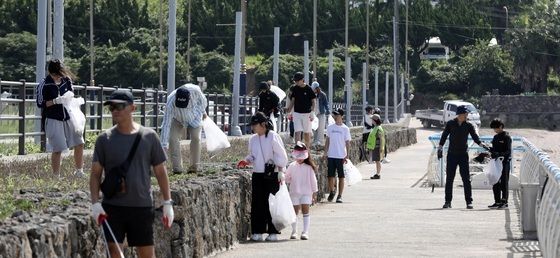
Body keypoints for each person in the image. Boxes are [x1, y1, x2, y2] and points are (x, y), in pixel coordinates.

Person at [89, 90, 173, 258]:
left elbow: (160, 171)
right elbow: (95, 174)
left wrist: (167, 203)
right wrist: (95, 203)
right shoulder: (104, 140)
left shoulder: (149, 137)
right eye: (112, 107)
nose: (115, 111)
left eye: (120, 106)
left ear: (133, 108)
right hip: (113, 207)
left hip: (141, 206)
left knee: (147, 254)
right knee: (114, 252)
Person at [237, 112, 288, 242]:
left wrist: (281, 170)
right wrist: (246, 160)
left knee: (272, 204)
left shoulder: (273, 136)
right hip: (258, 173)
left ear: (263, 124)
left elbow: (281, 156)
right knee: (257, 203)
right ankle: (257, 231)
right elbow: (253, 155)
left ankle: (273, 231)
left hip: (272, 173)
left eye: (255, 125)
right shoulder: (253, 139)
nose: (253, 128)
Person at [36, 59, 85, 177]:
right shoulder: (44, 84)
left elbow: (71, 93)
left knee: (79, 142)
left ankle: (79, 171)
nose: (57, 76)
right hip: (53, 117)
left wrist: (69, 97)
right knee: (57, 148)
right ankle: (56, 175)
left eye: (59, 73)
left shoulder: (66, 80)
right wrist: (55, 101)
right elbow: (40, 103)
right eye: (55, 74)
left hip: (68, 115)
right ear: (50, 72)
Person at [438, 105, 487, 209]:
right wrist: (440, 147)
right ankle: (448, 201)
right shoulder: (450, 124)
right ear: (460, 114)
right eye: (465, 113)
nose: (467, 115)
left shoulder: (469, 125)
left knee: (466, 179)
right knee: (450, 179)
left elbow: (475, 137)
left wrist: (482, 145)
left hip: (463, 155)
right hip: (452, 155)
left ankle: (469, 202)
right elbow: (444, 135)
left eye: (467, 114)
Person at [160, 84, 207, 174]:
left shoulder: (196, 91)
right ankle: (177, 168)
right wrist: (164, 145)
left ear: (189, 98)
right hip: (177, 118)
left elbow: (203, 102)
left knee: (196, 138)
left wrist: (203, 112)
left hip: (194, 116)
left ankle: (194, 167)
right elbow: (166, 124)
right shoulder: (170, 101)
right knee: (172, 139)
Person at [285, 141, 318, 240]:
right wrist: (284, 178)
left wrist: (314, 192)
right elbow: (287, 177)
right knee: (294, 212)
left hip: (306, 192)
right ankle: (294, 231)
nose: (299, 159)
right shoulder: (292, 166)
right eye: (298, 157)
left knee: (305, 211)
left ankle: (305, 231)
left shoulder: (309, 167)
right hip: (294, 191)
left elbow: (313, 180)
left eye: (301, 157)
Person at [324, 108, 351, 203]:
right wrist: (325, 152)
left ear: (342, 116)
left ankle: (340, 195)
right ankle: (332, 191)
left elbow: (347, 142)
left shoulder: (345, 128)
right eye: (335, 115)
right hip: (331, 155)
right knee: (330, 176)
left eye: (337, 115)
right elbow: (327, 140)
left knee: (341, 176)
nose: (335, 117)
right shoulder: (330, 127)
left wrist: (347, 154)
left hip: (341, 156)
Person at [286, 72, 316, 148]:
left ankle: (307, 149)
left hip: (307, 113)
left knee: (306, 132)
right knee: (297, 132)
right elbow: (293, 100)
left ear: (302, 80)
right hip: (297, 113)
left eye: (297, 81)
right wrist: (289, 110)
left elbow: (313, 101)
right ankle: (298, 148)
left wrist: (312, 111)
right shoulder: (295, 88)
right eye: (295, 81)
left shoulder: (308, 88)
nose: (296, 82)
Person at [487, 118, 512, 209]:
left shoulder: (507, 137)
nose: (495, 130)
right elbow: (494, 149)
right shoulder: (495, 137)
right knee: (495, 181)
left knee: (504, 182)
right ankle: (497, 201)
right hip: (496, 162)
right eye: (494, 129)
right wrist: (490, 150)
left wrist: (500, 154)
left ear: (501, 126)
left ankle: (504, 201)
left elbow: (508, 151)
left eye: (496, 128)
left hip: (505, 162)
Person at [366, 114, 386, 179]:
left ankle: (378, 174)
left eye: (372, 119)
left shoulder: (378, 128)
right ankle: (377, 173)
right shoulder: (375, 128)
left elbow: (381, 139)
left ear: (375, 120)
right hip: (375, 147)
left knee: (378, 161)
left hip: (377, 147)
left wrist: (381, 148)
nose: (371, 120)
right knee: (377, 161)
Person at [311, 81, 330, 147]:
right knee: (314, 127)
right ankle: (314, 141)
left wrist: (328, 110)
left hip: (321, 113)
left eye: (314, 88)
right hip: (313, 113)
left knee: (321, 127)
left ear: (317, 88)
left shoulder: (322, 95)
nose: (313, 90)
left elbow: (326, 104)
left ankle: (320, 142)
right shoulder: (310, 94)